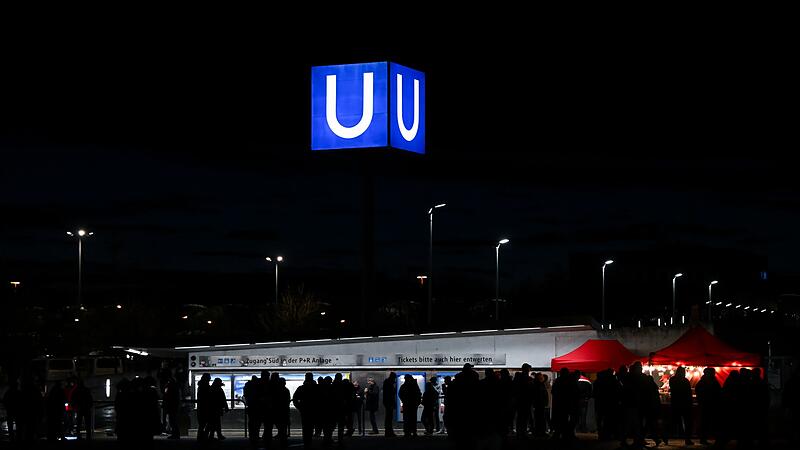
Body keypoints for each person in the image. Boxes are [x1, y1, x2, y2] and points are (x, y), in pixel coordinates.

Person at [667, 366, 693, 446]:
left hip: (675, 403)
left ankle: (666, 437)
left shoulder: (672, 380)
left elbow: (672, 390)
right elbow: (688, 393)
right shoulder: (685, 381)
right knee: (687, 422)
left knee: (673, 422)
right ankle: (687, 439)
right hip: (684, 404)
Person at [695, 367, 721, 445]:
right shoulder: (710, 382)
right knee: (708, 422)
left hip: (707, 405)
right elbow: (718, 392)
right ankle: (706, 438)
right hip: (708, 405)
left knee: (707, 422)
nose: (714, 374)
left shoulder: (702, 382)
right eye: (713, 372)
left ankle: (705, 438)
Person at [292, 372, 318, 449]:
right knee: (311, 427)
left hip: (304, 410)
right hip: (313, 410)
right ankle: (309, 442)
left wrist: (300, 407)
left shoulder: (301, 388)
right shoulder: (316, 388)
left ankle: (306, 442)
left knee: (305, 427)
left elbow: (295, 399)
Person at [2, 377, 22, 442]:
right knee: (18, 425)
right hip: (17, 411)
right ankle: (18, 438)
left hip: (10, 411)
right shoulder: (18, 393)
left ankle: (12, 438)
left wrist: (7, 407)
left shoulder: (8, 393)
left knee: (10, 425)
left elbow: (4, 401)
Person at [196, 373, 211, 441]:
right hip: (205, 407)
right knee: (207, 423)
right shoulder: (206, 386)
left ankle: (201, 437)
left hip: (201, 407)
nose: (210, 379)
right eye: (209, 377)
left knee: (202, 424)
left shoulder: (200, 386)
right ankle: (203, 437)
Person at [383, 373, 397, 437]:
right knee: (389, 417)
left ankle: (388, 431)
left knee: (388, 417)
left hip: (387, 402)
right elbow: (392, 393)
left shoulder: (387, 382)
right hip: (389, 402)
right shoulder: (389, 383)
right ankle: (389, 432)